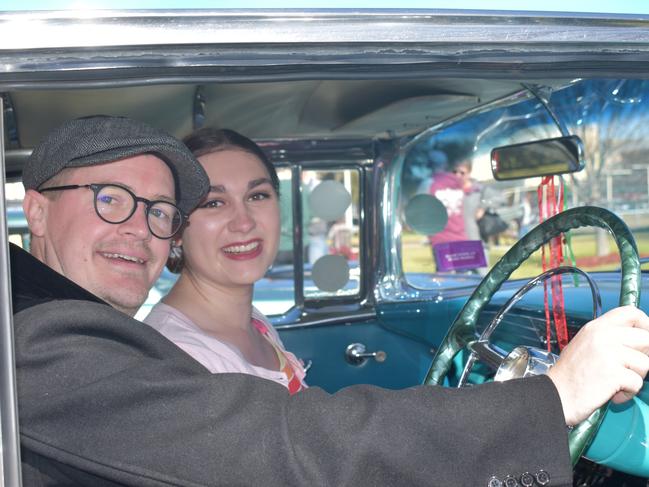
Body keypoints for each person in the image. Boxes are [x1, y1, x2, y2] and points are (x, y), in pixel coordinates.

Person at [12, 115, 649, 486]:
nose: (138, 228)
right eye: (110, 199)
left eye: (156, 210)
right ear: (35, 210)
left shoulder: (247, 323)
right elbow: (290, 443)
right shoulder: (43, 342)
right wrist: (552, 395)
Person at [144, 128, 307, 394]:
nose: (244, 223)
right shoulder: (180, 358)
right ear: (175, 229)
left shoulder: (254, 323)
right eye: (214, 203)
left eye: (257, 196)